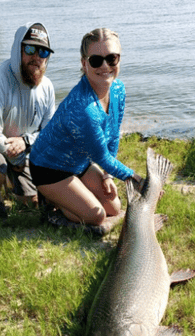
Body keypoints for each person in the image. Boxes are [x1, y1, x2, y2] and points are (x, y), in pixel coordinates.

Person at [29, 28, 144, 232]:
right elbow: (101, 155)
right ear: (84, 63)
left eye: (112, 58)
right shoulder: (83, 108)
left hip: (78, 163)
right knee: (96, 216)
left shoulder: (118, 90)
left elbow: (113, 136)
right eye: (96, 60)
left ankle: (68, 196)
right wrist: (136, 179)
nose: (105, 66)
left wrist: (108, 176)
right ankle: (51, 201)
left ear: (119, 59)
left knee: (114, 208)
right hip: (48, 168)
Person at [0, 22, 55, 221]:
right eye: (30, 48)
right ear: (18, 48)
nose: (36, 57)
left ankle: (11, 183)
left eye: (43, 52)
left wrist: (25, 142)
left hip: (23, 147)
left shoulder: (47, 87)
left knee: (31, 204)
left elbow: (50, 132)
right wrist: (15, 156)